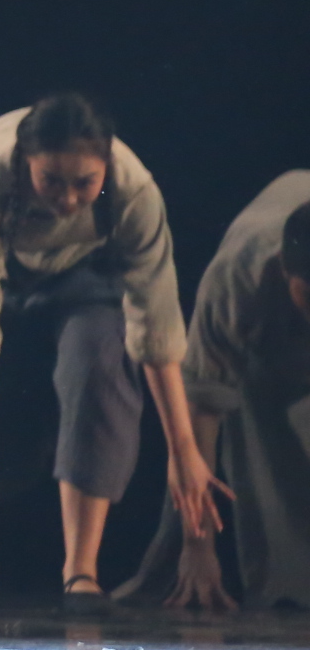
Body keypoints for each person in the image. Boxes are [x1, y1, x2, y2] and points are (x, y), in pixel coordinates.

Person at [0, 93, 221, 614]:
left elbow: (156, 326)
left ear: (105, 167)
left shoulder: (132, 192)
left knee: (100, 366)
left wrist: (184, 451)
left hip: (86, 267)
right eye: (51, 181)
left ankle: (81, 574)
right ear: (26, 163)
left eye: (84, 183)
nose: (68, 199)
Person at [117, 174, 310, 612]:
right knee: (263, 451)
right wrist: (197, 548)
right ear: (284, 269)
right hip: (265, 343)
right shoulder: (238, 279)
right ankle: (286, 589)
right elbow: (199, 417)